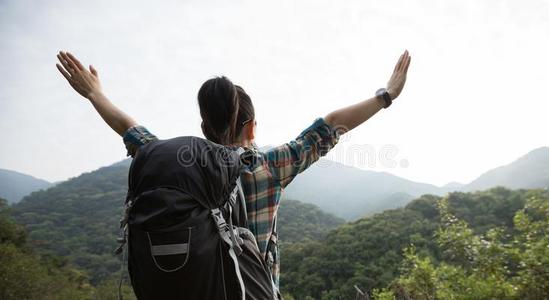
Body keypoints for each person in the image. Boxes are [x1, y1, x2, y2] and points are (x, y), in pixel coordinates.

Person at [55, 50, 411, 292]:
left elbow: (130, 129)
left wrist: (94, 93)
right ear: (252, 127)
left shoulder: (176, 165)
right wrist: (386, 95)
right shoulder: (269, 169)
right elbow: (331, 124)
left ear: (204, 125)